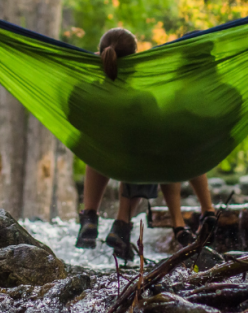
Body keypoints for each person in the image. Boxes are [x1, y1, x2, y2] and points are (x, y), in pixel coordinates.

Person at [74, 28, 217, 260]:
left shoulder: (85, 92)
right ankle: (129, 223)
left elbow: (72, 118)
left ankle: (90, 216)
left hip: (102, 159)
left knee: (98, 146)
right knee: (152, 147)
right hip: (134, 166)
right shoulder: (143, 99)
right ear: (135, 60)